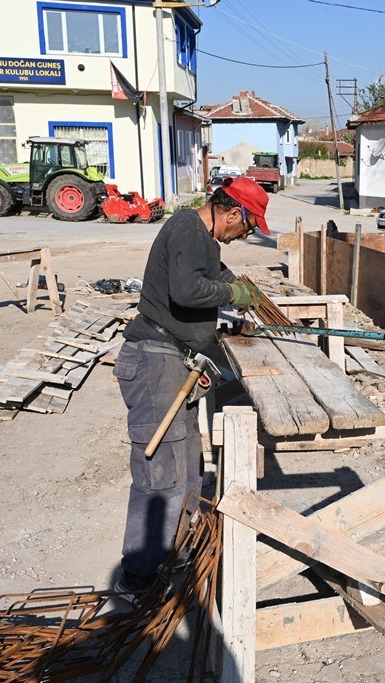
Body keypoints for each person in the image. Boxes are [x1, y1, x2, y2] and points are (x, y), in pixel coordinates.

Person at [112, 176, 270, 604]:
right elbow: (187, 291)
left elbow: (213, 273)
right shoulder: (186, 228)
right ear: (233, 212)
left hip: (175, 359)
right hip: (154, 359)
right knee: (159, 474)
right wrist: (232, 292)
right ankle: (137, 578)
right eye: (247, 227)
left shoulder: (204, 239)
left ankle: (175, 553)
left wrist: (238, 286)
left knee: (186, 464)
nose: (244, 236)